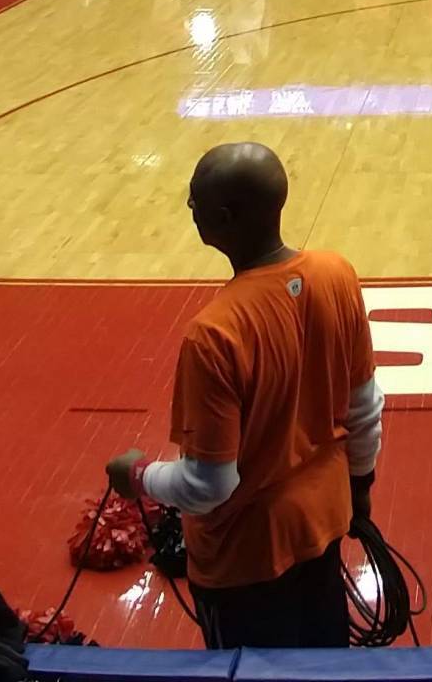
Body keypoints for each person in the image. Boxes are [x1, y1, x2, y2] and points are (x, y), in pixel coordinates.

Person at [105, 144, 381, 649]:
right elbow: (364, 409)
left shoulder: (215, 333)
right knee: (328, 665)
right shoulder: (337, 274)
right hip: (324, 520)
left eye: (193, 204)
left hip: (243, 558)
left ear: (223, 217)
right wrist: (360, 487)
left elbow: (210, 484)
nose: (190, 213)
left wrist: (137, 476)